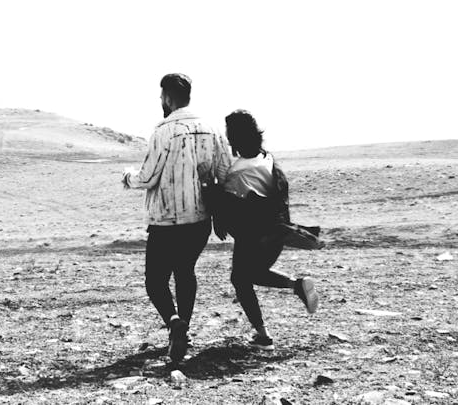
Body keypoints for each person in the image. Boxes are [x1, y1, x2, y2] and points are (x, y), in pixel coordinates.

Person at [122, 73, 232, 364]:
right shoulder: (211, 129)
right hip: (199, 220)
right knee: (186, 272)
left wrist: (127, 177)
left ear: (168, 96)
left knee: (155, 280)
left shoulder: (163, 130)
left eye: (161, 96)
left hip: (165, 220)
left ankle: (174, 324)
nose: (161, 101)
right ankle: (184, 325)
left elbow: (147, 177)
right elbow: (225, 174)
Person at [219, 109, 320, 351]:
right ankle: (297, 286)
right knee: (252, 274)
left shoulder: (238, 170)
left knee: (240, 279)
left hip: (254, 236)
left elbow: (230, 204)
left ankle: (263, 335)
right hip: (277, 233)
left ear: (233, 138)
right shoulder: (268, 159)